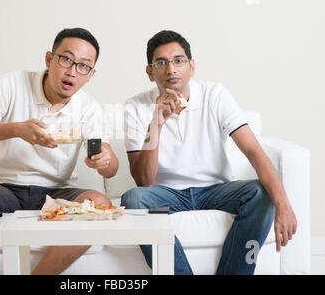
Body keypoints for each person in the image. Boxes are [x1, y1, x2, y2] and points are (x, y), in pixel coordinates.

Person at [121, 30, 297, 274]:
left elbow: (254, 152)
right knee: (133, 199)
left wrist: (283, 204)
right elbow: (143, 181)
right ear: (150, 72)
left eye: (178, 61)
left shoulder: (215, 95)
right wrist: (156, 123)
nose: (171, 69)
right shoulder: (134, 107)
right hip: (167, 194)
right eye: (161, 63)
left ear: (192, 66)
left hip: (216, 190)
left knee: (262, 193)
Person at [0, 27, 119, 275]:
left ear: (90, 74)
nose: (72, 71)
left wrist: (106, 159)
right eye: (66, 59)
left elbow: (111, 169)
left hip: (55, 194)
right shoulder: (12, 84)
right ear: (49, 59)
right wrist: (17, 129)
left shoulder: (89, 108)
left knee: (101, 203)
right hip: (4, 187)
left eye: (83, 66)